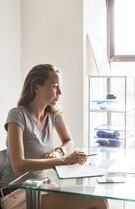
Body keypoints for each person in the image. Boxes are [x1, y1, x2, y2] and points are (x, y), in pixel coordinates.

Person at [0, 64, 109, 209]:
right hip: (16, 193)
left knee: (101, 198)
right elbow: (19, 165)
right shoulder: (17, 115)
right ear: (36, 87)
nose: (60, 92)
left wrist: (59, 151)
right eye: (54, 86)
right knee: (98, 203)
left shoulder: (52, 113)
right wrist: (62, 160)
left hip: (43, 186)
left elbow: (68, 141)